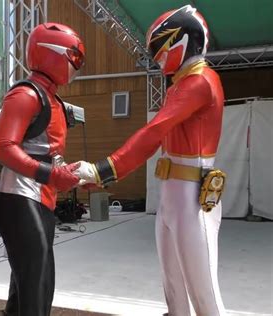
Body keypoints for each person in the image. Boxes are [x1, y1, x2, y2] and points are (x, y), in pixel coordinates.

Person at [75, 5, 226, 316]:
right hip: (173, 194)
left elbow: (154, 131)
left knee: (204, 295)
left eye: (160, 47)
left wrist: (105, 169)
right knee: (174, 291)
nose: (156, 56)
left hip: (191, 197)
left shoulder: (201, 80)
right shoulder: (183, 83)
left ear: (181, 41)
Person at [0, 23, 85, 316]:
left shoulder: (48, 97)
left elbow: (44, 153)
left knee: (27, 286)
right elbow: (3, 147)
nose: (76, 65)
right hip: (21, 197)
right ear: (55, 53)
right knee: (38, 285)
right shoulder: (27, 95)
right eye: (75, 57)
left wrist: (68, 173)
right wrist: (53, 174)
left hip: (38, 198)